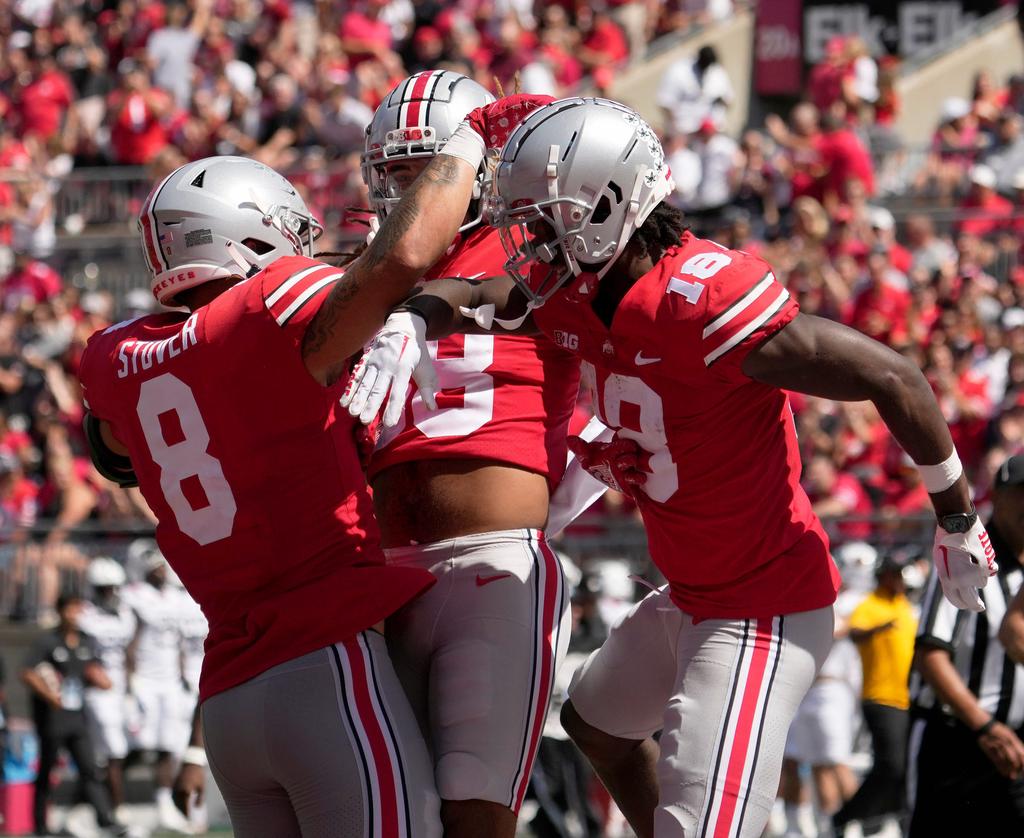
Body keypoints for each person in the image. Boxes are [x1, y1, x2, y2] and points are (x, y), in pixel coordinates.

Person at [350, 96, 997, 837]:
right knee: (595, 724)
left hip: (763, 608)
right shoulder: (580, 290)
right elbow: (483, 294)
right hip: (690, 594)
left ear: (611, 206)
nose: (528, 240)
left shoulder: (702, 298)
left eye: (545, 218)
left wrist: (954, 515)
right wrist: (413, 315)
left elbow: (896, 377)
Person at [75, 136, 515, 836]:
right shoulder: (267, 304)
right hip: (327, 668)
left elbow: (112, 453)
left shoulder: (111, 356)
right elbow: (397, 260)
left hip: (228, 697)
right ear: (251, 233)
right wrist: (461, 146)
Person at [355, 70, 586, 838]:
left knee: (475, 812)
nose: (405, 191)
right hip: (384, 571)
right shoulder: (374, 268)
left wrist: (478, 126)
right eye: (392, 173)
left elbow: (570, 121)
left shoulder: (533, 239)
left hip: (492, 560)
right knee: (385, 811)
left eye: (424, 170)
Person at [911, 454, 1024, 837]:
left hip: (1015, 747)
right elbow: (930, 654)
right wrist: (984, 726)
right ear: (998, 496)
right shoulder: (966, 557)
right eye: (1021, 494)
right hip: (957, 740)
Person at [21, 592, 126, 837]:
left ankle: (105, 820)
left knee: (90, 768)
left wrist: (100, 680)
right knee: (47, 770)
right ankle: (40, 826)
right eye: (71, 608)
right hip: (52, 719)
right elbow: (26, 672)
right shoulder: (47, 642)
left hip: (77, 718)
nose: (75, 614)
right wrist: (48, 694)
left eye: (79, 609)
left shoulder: (85, 642)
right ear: (60, 611)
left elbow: (94, 672)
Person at [832, 553, 917, 836]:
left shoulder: (904, 607)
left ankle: (880, 820)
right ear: (882, 576)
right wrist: (880, 628)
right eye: (893, 574)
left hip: (907, 699)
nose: (899, 580)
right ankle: (846, 817)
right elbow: (855, 633)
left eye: (900, 575)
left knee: (903, 769)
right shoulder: (870, 604)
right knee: (891, 765)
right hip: (879, 696)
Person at [121, 551, 191, 833]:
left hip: (171, 680)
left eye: (164, 565)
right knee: (136, 745)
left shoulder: (175, 598)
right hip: (144, 679)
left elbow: (180, 642)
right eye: (156, 567)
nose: (162, 571)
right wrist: (130, 681)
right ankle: (108, 798)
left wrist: (184, 675)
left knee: (170, 744)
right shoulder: (134, 595)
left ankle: (163, 802)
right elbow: (129, 640)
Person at [79, 557, 136, 814]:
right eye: (104, 588)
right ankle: (116, 808)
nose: (110, 593)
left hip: (122, 687)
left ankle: (96, 804)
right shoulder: (83, 615)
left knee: (132, 745)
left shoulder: (125, 613)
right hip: (97, 691)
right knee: (111, 749)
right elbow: (77, 651)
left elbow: (130, 651)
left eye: (113, 587)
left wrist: (131, 683)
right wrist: (91, 671)